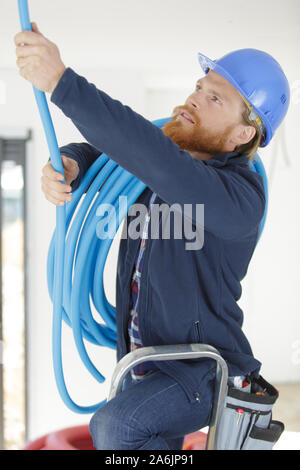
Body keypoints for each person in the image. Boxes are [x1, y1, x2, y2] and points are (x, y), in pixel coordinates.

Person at [14, 23, 290, 450]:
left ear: (242, 134)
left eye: (214, 98)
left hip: (199, 370)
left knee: (117, 428)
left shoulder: (238, 198)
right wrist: (73, 163)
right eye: (200, 86)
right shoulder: (162, 166)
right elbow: (112, 155)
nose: (195, 96)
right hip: (144, 362)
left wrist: (61, 84)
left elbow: (154, 158)